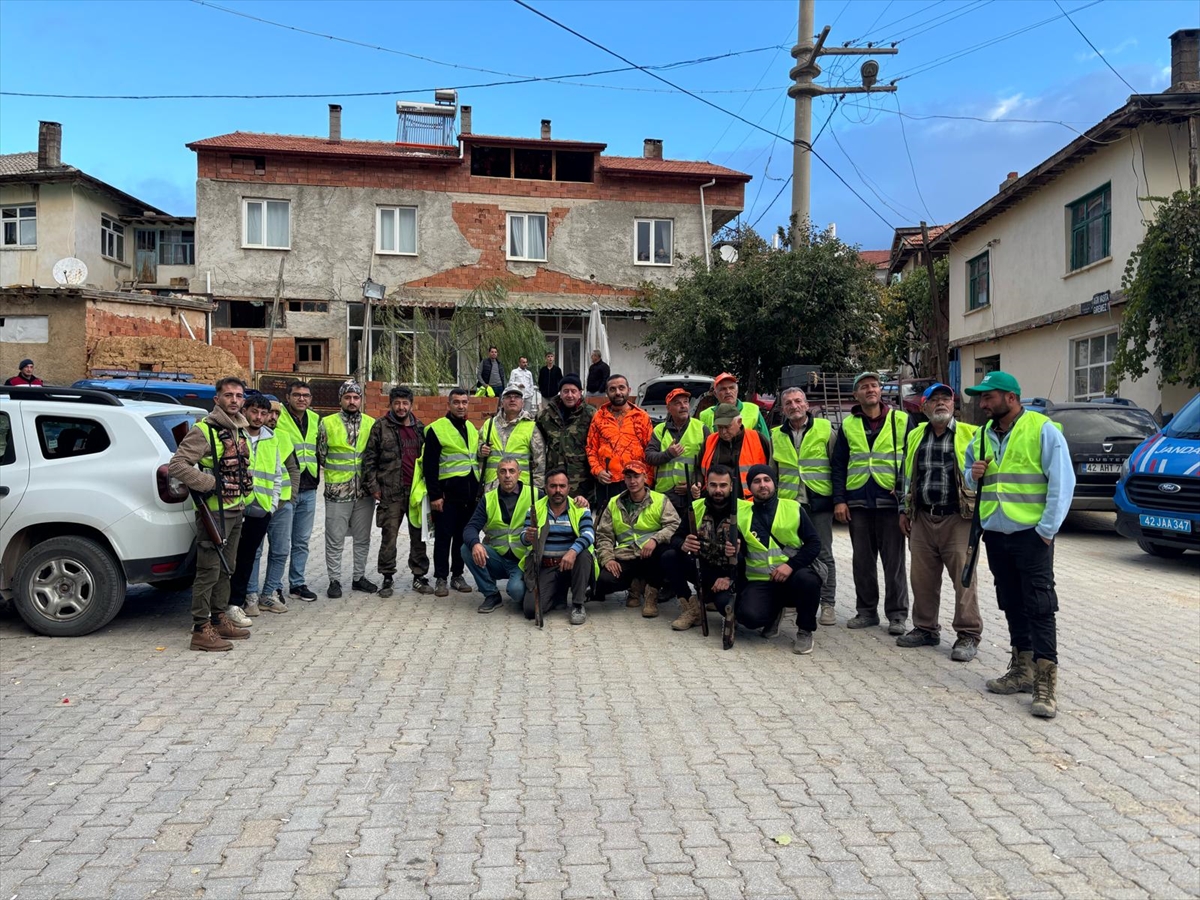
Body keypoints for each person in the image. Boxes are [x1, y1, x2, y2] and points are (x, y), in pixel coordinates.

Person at [964, 371, 1074, 718]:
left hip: (1032, 535)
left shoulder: (1042, 430)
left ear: (1010, 398)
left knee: (1039, 605)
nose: (982, 404)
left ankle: (1045, 682)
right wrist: (973, 474)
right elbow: (968, 471)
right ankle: (1021, 668)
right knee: (1011, 602)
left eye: (988, 397)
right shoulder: (982, 434)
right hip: (996, 534)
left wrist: (1046, 530)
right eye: (981, 398)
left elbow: (1062, 483)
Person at [167, 377, 256, 651]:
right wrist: (210, 484)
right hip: (214, 514)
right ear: (217, 399)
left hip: (236, 509)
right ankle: (200, 629)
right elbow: (178, 465)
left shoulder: (240, 429)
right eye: (228, 395)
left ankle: (219, 619)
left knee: (226, 570)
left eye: (239, 395)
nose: (234, 400)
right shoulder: (204, 430)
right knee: (208, 571)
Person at [897, 384, 982, 661]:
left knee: (964, 579)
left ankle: (968, 634)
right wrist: (904, 510)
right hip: (922, 516)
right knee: (922, 579)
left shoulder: (972, 434)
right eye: (934, 400)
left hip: (958, 519)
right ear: (924, 408)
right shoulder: (915, 436)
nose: (941, 403)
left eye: (946, 398)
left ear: (954, 405)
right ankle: (925, 628)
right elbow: (906, 476)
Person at [832, 371, 912, 635]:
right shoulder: (848, 425)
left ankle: (897, 615)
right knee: (862, 562)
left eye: (874, 385)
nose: (870, 390)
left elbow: (911, 461)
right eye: (864, 386)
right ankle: (866, 611)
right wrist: (840, 500)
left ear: (881, 391)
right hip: (858, 503)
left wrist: (904, 496)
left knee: (894, 562)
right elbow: (839, 466)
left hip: (890, 503)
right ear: (856, 394)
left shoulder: (900, 420)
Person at [736, 466, 825, 655]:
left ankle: (805, 630)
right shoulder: (742, 513)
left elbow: (814, 544)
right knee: (748, 617)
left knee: (808, 580)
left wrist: (790, 566)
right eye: (757, 481)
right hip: (761, 581)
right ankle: (773, 613)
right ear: (749, 487)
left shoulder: (792, 508)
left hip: (792, 576)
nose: (762, 485)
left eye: (766, 480)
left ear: (774, 483)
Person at [771, 387, 838, 626]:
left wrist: (839, 499)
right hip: (790, 504)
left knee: (823, 553)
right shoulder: (775, 434)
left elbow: (836, 464)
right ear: (782, 408)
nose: (793, 406)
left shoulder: (825, 429)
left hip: (819, 501)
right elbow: (773, 472)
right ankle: (792, 602)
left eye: (798, 401)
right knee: (789, 552)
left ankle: (828, 604)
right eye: (788, 402)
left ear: (806, 404)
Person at [226, 393, 294, 621]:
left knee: (247, 556)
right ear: (245, 411)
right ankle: (242, 598)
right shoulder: (235, 434)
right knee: (235, 556)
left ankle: (240, 601)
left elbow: (276, 473)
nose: (258, 417)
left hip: (261, 508)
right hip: (235, 506)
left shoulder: (271, 438)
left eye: (263, 413)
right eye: (254, 411)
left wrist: (272, 505)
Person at [363, 385, 432, 598]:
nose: (401, 407)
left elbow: (428, 460)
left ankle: (419, 576)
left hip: (415, 494)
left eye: (405, 403)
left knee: (418, 537)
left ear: (411, 404)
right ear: (391, 404)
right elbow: (369, 460)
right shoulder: (380, 427)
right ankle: (387, 577)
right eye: (397, 403)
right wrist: (374, 487)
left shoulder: (420, 428)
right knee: (389, 537)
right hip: (389, 492)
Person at [660, 464, 739, 642]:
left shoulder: (745, 510)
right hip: (701, 569)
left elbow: (752, 554)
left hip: (729, 576)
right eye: (713, 485)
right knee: (669, 556)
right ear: (706, 485)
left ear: (731, 486)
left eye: (723, 485)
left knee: (725, 606)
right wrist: (684, 544)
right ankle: (690, 607)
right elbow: (675, 538)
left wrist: (730, 578)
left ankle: (714, 599)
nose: (718, 490)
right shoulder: (696, 507)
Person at [593, 461, 679, 617]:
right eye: (628, 477)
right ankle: (635, 584)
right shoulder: (614, 502)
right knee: (605, 580)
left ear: (645, 477)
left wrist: (655, 539)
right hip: (626, 554)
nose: (632, 481)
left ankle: (650, 593)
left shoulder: (660, 500)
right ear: (624, 479)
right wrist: (608, 559)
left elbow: (674, 526)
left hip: (651, 554)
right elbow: (604, 535)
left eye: (637, 476)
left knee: (667, 553)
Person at [318, 381, 377, 599]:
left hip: (364, 492)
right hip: (337, 491)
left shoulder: (372, 423)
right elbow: (321, 455)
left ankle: (358, 577)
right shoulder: (327, 423)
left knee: (362, 538)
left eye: (356, 397)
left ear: (361, 400)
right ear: (341, 400)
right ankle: (334, 580)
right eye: (348, 397)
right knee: (335, 539)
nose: (352, 401)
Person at [243, 401, 300, 615]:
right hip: (253, 503)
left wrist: (290, 497)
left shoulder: (281, 438)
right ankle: (250, 596)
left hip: (281, 504)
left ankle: (268, 594)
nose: (272, 417)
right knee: (254, 551)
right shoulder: (241, 436)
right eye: (270, 413)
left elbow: (293, 469)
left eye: (276, 413)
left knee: (280, 551)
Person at [423, 387, 480, 597]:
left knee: (462, 538)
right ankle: (440, 578)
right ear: (449, 405)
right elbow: (430, 466)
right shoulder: (437, 429)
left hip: (469, 496)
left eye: (464, 402)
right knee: (443, 537)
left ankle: (457, 575)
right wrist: (435, 495)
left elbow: (473, 459)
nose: (461, 406)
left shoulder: (472, 429)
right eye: (456, 402)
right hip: (446, 497)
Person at [521, 468, 596, 625]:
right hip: (546, 566)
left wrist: (572, 551)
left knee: (583, 555)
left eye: (562, 486)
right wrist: (527, 536)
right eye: (553, 486)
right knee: (530, 610)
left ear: (569, 488)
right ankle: (558, 594)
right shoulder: (535, 508)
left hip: (572, 564)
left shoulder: (580, 507)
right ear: (546, 488)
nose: (558, 490)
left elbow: (589, 534)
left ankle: (578, 605)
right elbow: (523, 538)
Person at [461, 456, 532, 613]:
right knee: (466, 548)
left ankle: (523, 587)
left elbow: (558, 502)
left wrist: (579, 501)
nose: (507, 475)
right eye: (503, 471)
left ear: (519, 474)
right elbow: (470, 528)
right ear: (497, 474)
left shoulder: (534, 494)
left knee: (516, 592)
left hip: (522, 561)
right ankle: (491, 594)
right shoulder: (489, 498)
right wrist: (476, 544)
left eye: (511, 471)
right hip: (497, 559)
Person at [273, 380, 320, 603]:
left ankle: (297, 583)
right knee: (280, 543)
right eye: (297, 395)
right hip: (285, 489)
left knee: (301, 541)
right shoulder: (277, 418)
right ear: (288, 397)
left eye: (306, 395)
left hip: (309, 487)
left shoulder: (315, 419)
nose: (302, 399)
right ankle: (274, 585)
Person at [586, 373, 653, 508]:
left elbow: (650, 451)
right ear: (607, 392)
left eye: (621, 388)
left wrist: (648, 481)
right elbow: (591, 448)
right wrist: (598, 471)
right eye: (612, 389)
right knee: (608, 525)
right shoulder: (599, 417)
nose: (617, 392)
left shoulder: (642, 417)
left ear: (629, 390)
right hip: (608, 483)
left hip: (636, 482)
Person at [644, 388, 709, 518]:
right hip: (664, 495)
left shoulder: (701, 428)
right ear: (669, 408)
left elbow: (708, 462)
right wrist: (668, 454)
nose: (683, 406)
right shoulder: (659, 430)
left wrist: (694, 484)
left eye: (685, 402)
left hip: (693, 495)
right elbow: (649, 457)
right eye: (677, 403)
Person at [537, 374, 596, 503]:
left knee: (580, 515)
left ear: (580, 393)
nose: (570, 395)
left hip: (581, 479)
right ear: (560, 393)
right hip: (554, 478)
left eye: (573, 391)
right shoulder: (546, 415)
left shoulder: (591, 414)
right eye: (566, 391)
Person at [479, 386, 545, 491]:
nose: (512, 399)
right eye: (508, 397)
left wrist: (537, 491)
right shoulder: (489, 425)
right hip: (492, 489)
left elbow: (540, 462)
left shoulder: (531, 427)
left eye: (517, 397)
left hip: (522, 490)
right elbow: (475, 454)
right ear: (502, 403)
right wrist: (481, 450)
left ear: (522, 403)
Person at [699, 403, 770, 499]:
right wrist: (697, 483)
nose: (723, 432)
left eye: (727, 427)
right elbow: (698, 469)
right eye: (720, 427)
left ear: (739, 422)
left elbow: (772, 468)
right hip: (716, 503)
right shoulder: (709, 441)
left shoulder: (757, 438)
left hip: (750, 502)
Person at [698, 373, 771, 448]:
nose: (728, 392)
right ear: (715, 394)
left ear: (737, 390)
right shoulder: (705, 415)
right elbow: (703, 445)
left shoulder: (753, 409)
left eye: (731, 388)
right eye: (723, 389)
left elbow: (766, 441)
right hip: (718, 457)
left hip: (746, 457)